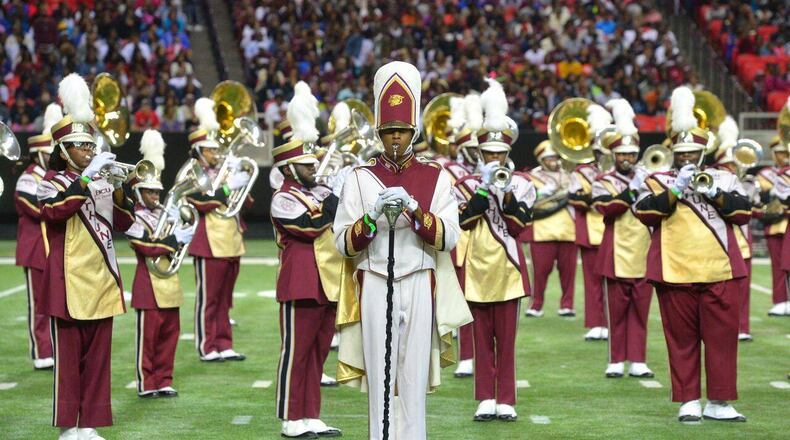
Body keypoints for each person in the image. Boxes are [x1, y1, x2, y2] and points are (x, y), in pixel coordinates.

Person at [333, 61, 470, 440]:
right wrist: (373, 218)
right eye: (390, 130)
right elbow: (342, 241)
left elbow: (449, 236)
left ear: (413, 132)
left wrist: (414, 211)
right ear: (379, 131)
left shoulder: (435, 177)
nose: (396, 138)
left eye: (403, 131)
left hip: (419, 277)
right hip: (376, 279)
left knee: (413, 376)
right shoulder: (359, 178)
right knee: (380, 374)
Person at [635, 86, 751, 423]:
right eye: (682, 152)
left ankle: (719, 401)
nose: (687, 158)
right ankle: (688, 400)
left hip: (720, 269)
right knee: (681, 339)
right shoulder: (657, 179)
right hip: (674, 269)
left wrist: (714, 191)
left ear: (703, 152)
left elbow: (743, 213)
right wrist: (675, 188)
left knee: (722, 340)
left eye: (692, 153)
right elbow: (644, 213)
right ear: (673, 150)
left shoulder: (725, 178)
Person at [38, 73, 136, 440]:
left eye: (89, 144)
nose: (88, 151)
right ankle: (68, 426)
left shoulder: (100, 179)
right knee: (69, 359)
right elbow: (52, 211)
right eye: (80, 146)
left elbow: (125, 221)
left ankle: (90, 423)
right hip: (68, 279)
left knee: (98, 359)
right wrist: (85, 181)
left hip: (102, 277)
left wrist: (121, 187)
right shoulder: (52, 179)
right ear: (63, 150)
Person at [454, 78, 534, 421]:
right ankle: (485, 396)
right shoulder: (465, 185)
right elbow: (465, 221)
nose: (494, 159)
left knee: (507, 341)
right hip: (475, 268)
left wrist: (504, 193)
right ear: (480, 154)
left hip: (508, 268)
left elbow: (518, 225)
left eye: (500, 154)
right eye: (489, 154)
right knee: (482, 339)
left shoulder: (523, 184)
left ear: (508, 154)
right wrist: (485, 191)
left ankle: (507, 399)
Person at [270, 81, 343, 438]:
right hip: (299, 281)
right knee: (296, 353)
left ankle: (311, 413)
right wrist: (331, 205)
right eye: (305, 163)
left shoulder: (320, 190)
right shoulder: (282, 197)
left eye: (313, 161)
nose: (314, 167)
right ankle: (290, 417)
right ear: (288, 168)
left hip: (327, 280)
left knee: (317, 353)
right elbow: (307, 227)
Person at [125, 130, 193, 398]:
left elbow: (168, 240)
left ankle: (164, 379)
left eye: (157, 193)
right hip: (147, 285)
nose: (155, 197)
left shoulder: (164, 214)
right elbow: (144, 246)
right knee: (149, 338)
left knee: (170, 334)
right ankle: (147, 382)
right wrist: (174, 239)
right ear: (139, 193)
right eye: (150, 193)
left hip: (169, 282)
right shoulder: (133, 218)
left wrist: (179, 226)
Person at [591, 99, 654, 379]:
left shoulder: (651, 178)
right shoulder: (602, 181)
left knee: (641, 309)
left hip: (645, 250)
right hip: (615, 253)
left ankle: (638, 359)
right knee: (616, 312)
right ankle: (616, 358)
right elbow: (607, 208)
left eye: (631, 154)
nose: (626, 159)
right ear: (613, 155)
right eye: (622, 155)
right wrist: (632, 191)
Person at [186, 97, 252, 362]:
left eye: (216, 149)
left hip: (231, 239)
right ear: (199, 151)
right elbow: (198, 200)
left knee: (226, 299)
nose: (217, 154)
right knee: (208, 299)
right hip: (208, 241)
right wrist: (227, 188)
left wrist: (241, 184)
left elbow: (243, 202)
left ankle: (224, 343)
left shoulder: (223, 171)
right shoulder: (192, 171)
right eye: (211, 150)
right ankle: (207, 345)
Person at [14, 103, 60, 370]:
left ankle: (52, 347)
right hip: (34, 249)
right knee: (38, 304)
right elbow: (34, 208)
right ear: (37, 154)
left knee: (53, 302)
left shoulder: (50, 178)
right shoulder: (28, 178)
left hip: (50, 248)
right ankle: (41, 351)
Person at [567, 103, 610, 340]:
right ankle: (596, 322)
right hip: (592, 231)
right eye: (599, 153)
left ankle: (611, 321)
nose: (602, 156)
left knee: (614, 281)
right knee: (593, 281)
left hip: (618, 231)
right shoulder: (581, 172)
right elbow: (576, 198)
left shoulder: (623, 173)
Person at [523, 141, 577, 317]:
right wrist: (540, 193)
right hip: (542, 230)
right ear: (541, 159)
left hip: (568, 229)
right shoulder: (532, 177)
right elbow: (525, 201)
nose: (553, 161)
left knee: (568, 272)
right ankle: (536, 304)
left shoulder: (570, 175)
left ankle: (567, 304)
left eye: (554, 157)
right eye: (548, 158)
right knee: (540, 272)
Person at [758, 134, 789, 316]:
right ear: (773, 154)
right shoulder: (766, 174)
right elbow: (764, 198)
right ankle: (780, 301)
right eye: (779, 153)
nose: (783, 156)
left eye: (785, 152)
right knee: (777, 265)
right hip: (775, 225)